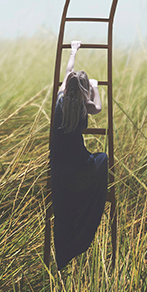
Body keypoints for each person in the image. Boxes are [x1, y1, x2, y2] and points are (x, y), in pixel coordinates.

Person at [49, 40, 108, 269]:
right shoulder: (85, 108)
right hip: (78, 165)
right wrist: (95, 87)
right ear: (83, 91)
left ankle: (63, 255)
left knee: (64, 212)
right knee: (102, 159)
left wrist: (73, 51)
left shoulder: (60, 100)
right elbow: (99, 107)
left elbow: (68, 72)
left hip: (60, 165)